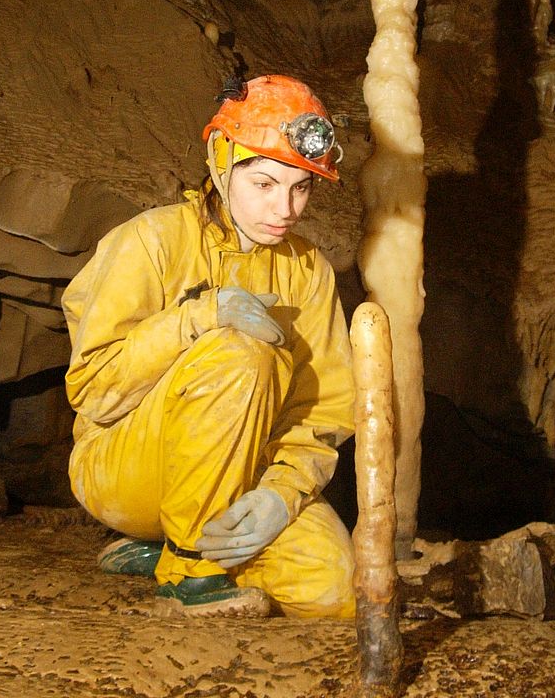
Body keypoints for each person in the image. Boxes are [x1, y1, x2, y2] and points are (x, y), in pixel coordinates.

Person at [62, 74, 356, 619]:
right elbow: (94, 390)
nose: (285, 208)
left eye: (300, 187)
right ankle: (189, 571)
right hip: (126, 467)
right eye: (264, 183)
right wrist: (198, 317)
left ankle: (168, 547)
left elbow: (322, 409)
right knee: (242, 354)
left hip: (245, 469)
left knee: (337, 591)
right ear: (221, 165)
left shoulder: (308, 270)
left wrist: (281, 495)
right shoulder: (151, 240)